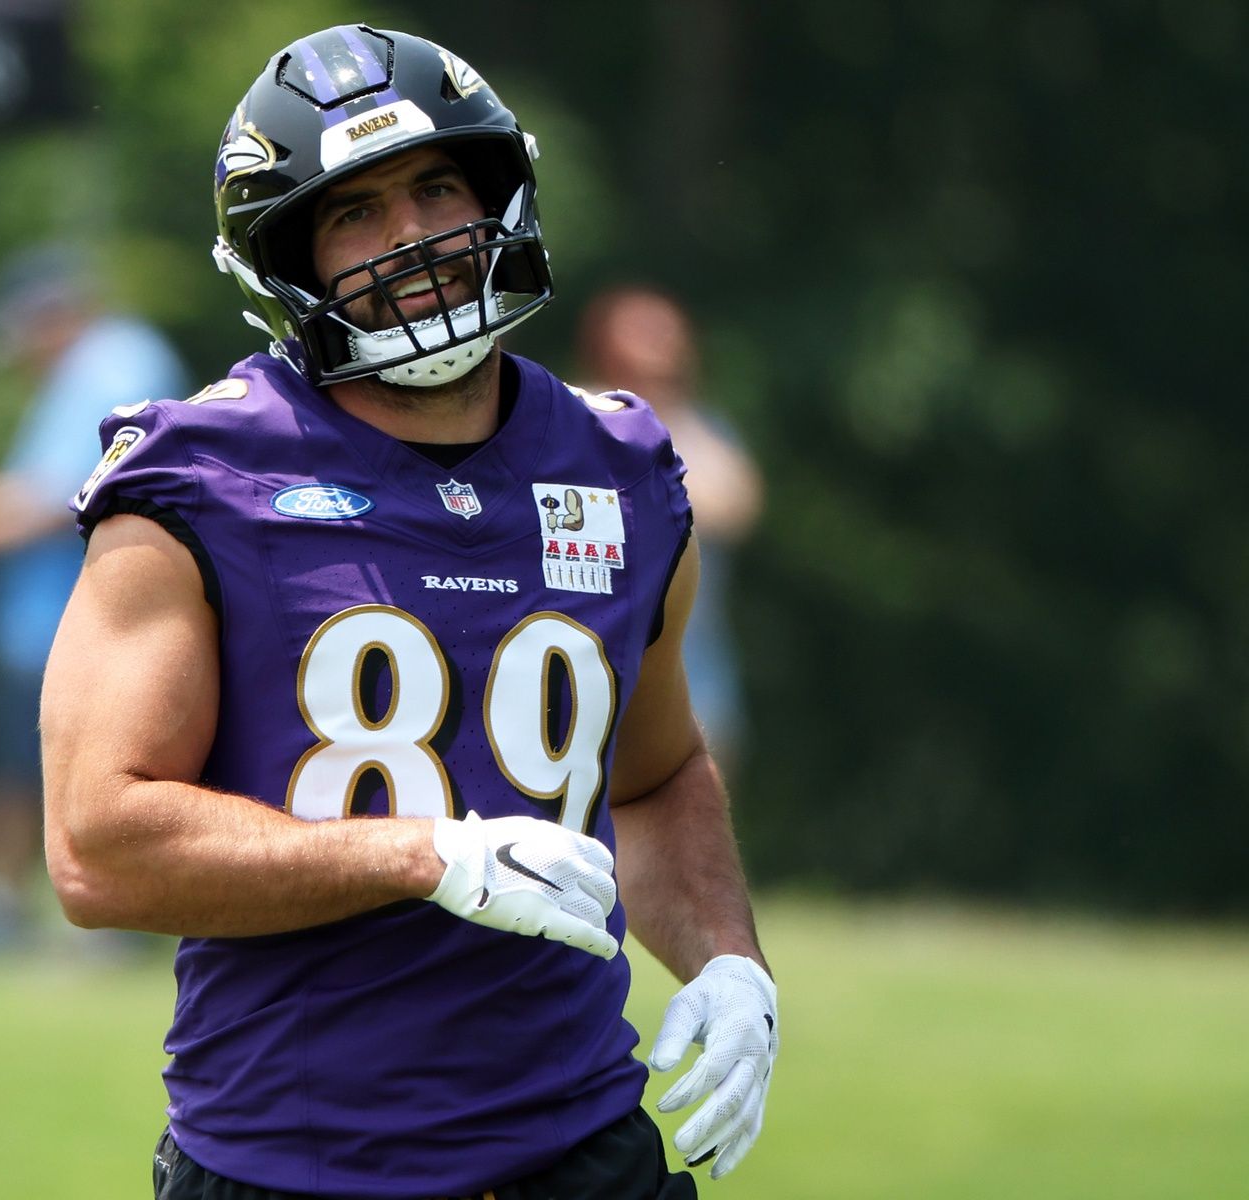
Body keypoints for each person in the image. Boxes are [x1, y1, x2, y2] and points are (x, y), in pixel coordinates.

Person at [41, 25, 777, 1199]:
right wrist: (421, 855)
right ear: (288, 258)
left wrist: (730, 961)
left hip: (579, 1148)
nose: (413, 240)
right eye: (354, 213)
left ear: (498, 193)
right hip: (296, 1164)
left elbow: (656, 774)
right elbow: (96, 850)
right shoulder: (200, 481)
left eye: (436, 187)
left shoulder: (622, 468)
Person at [0, 244, 188, 948]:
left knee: (76, 773)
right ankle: (5, 916)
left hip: (89, 619)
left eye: (23, 332)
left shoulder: (116, 362)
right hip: (53, 621)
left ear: (51, 315)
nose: (22, 353)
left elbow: (82, 489)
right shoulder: (97, 367)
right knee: (24, 769)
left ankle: (94, 924)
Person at [578, 288, 764, 770]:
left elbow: (738, 505)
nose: (661, 344)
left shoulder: (702, 428)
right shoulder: (572, 416)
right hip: (584, 672)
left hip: (695, 676)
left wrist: (653, 442)